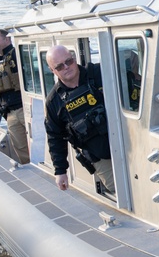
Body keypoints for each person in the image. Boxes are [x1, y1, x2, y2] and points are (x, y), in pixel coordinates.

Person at [43, 45, 115, 194]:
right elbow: (55, 136)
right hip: (99, 153)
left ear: (74, 59)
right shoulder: (54, 101)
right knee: (116, 187)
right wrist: (60, 170)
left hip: (127, 140)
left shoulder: (100, 73)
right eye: (60, 66)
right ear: (52, 70)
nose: (66, 67)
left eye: (69, 61)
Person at [0, 28, 30, 164]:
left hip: (25, 108)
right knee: (20, 148)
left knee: (39, 142)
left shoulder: (18, 55)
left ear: (7, 39)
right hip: (10, 112)